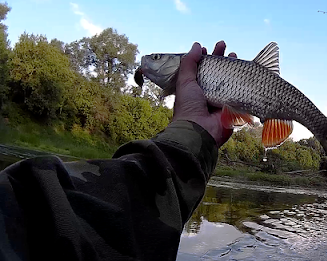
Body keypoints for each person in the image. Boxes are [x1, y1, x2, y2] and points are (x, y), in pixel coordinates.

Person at [0, 41, 236, 261]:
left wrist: (192, 129)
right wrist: (195, 134)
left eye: (156, 58)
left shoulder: (23, 207)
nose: (148, 61)